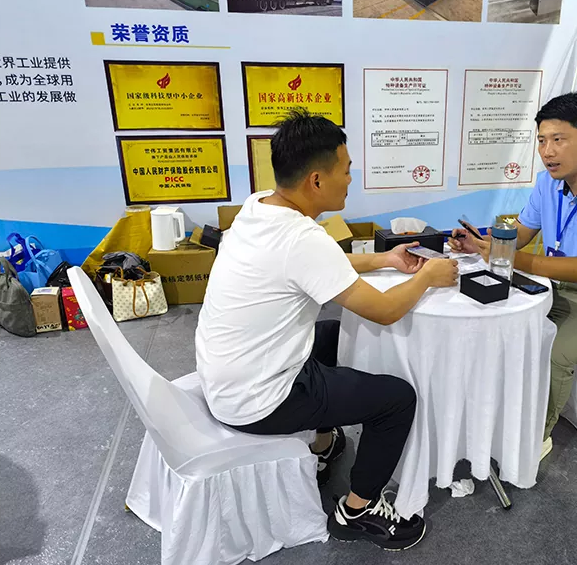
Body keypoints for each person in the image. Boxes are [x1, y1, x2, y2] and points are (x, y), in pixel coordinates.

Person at [195, 109, 458, 551]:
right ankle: (357, 511)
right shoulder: (302, 238)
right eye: (347, 170)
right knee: (397, 400)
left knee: (334, 334)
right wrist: (427, 277)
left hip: (227, 375)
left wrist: (385, 259)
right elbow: (384, 311)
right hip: (258, 400)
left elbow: (317, 265)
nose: (351, 179)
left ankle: (321, 444)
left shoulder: (259, 207)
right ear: (317, 180)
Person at [449, 93, 577, 460]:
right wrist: (482, 242)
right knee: (498, 322)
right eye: (542, 140)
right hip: (556, 286)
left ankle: (534, 439)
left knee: (555, 352)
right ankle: (499, 411)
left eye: (559, 139)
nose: (547, 151)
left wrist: (511, 258)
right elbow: (520, 234)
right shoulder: (547, 183)